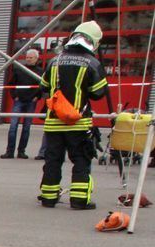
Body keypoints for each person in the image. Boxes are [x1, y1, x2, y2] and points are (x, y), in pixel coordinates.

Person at [37, 21, 109, 210]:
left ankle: (48, 197)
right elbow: (98, 93)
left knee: (53, 159)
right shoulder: (92, 63)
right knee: (80, 160)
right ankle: (78, 200)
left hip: (53, 122)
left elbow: (43, 87)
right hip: (78, 122)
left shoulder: (54, 61)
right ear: (93, 42)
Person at [0, 50, 43, 160]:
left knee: (26, 128)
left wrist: (37, 97)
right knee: (13, 126)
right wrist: (15, 96)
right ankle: (9, 151)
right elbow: (11, 84)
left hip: (31, 102)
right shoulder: (19, 69)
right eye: (27, 57)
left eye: (31, 57)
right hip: (19, 101)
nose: (28, 59)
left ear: (36, 59)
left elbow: (43, 87)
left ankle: (21, 151)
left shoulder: (40, 72)